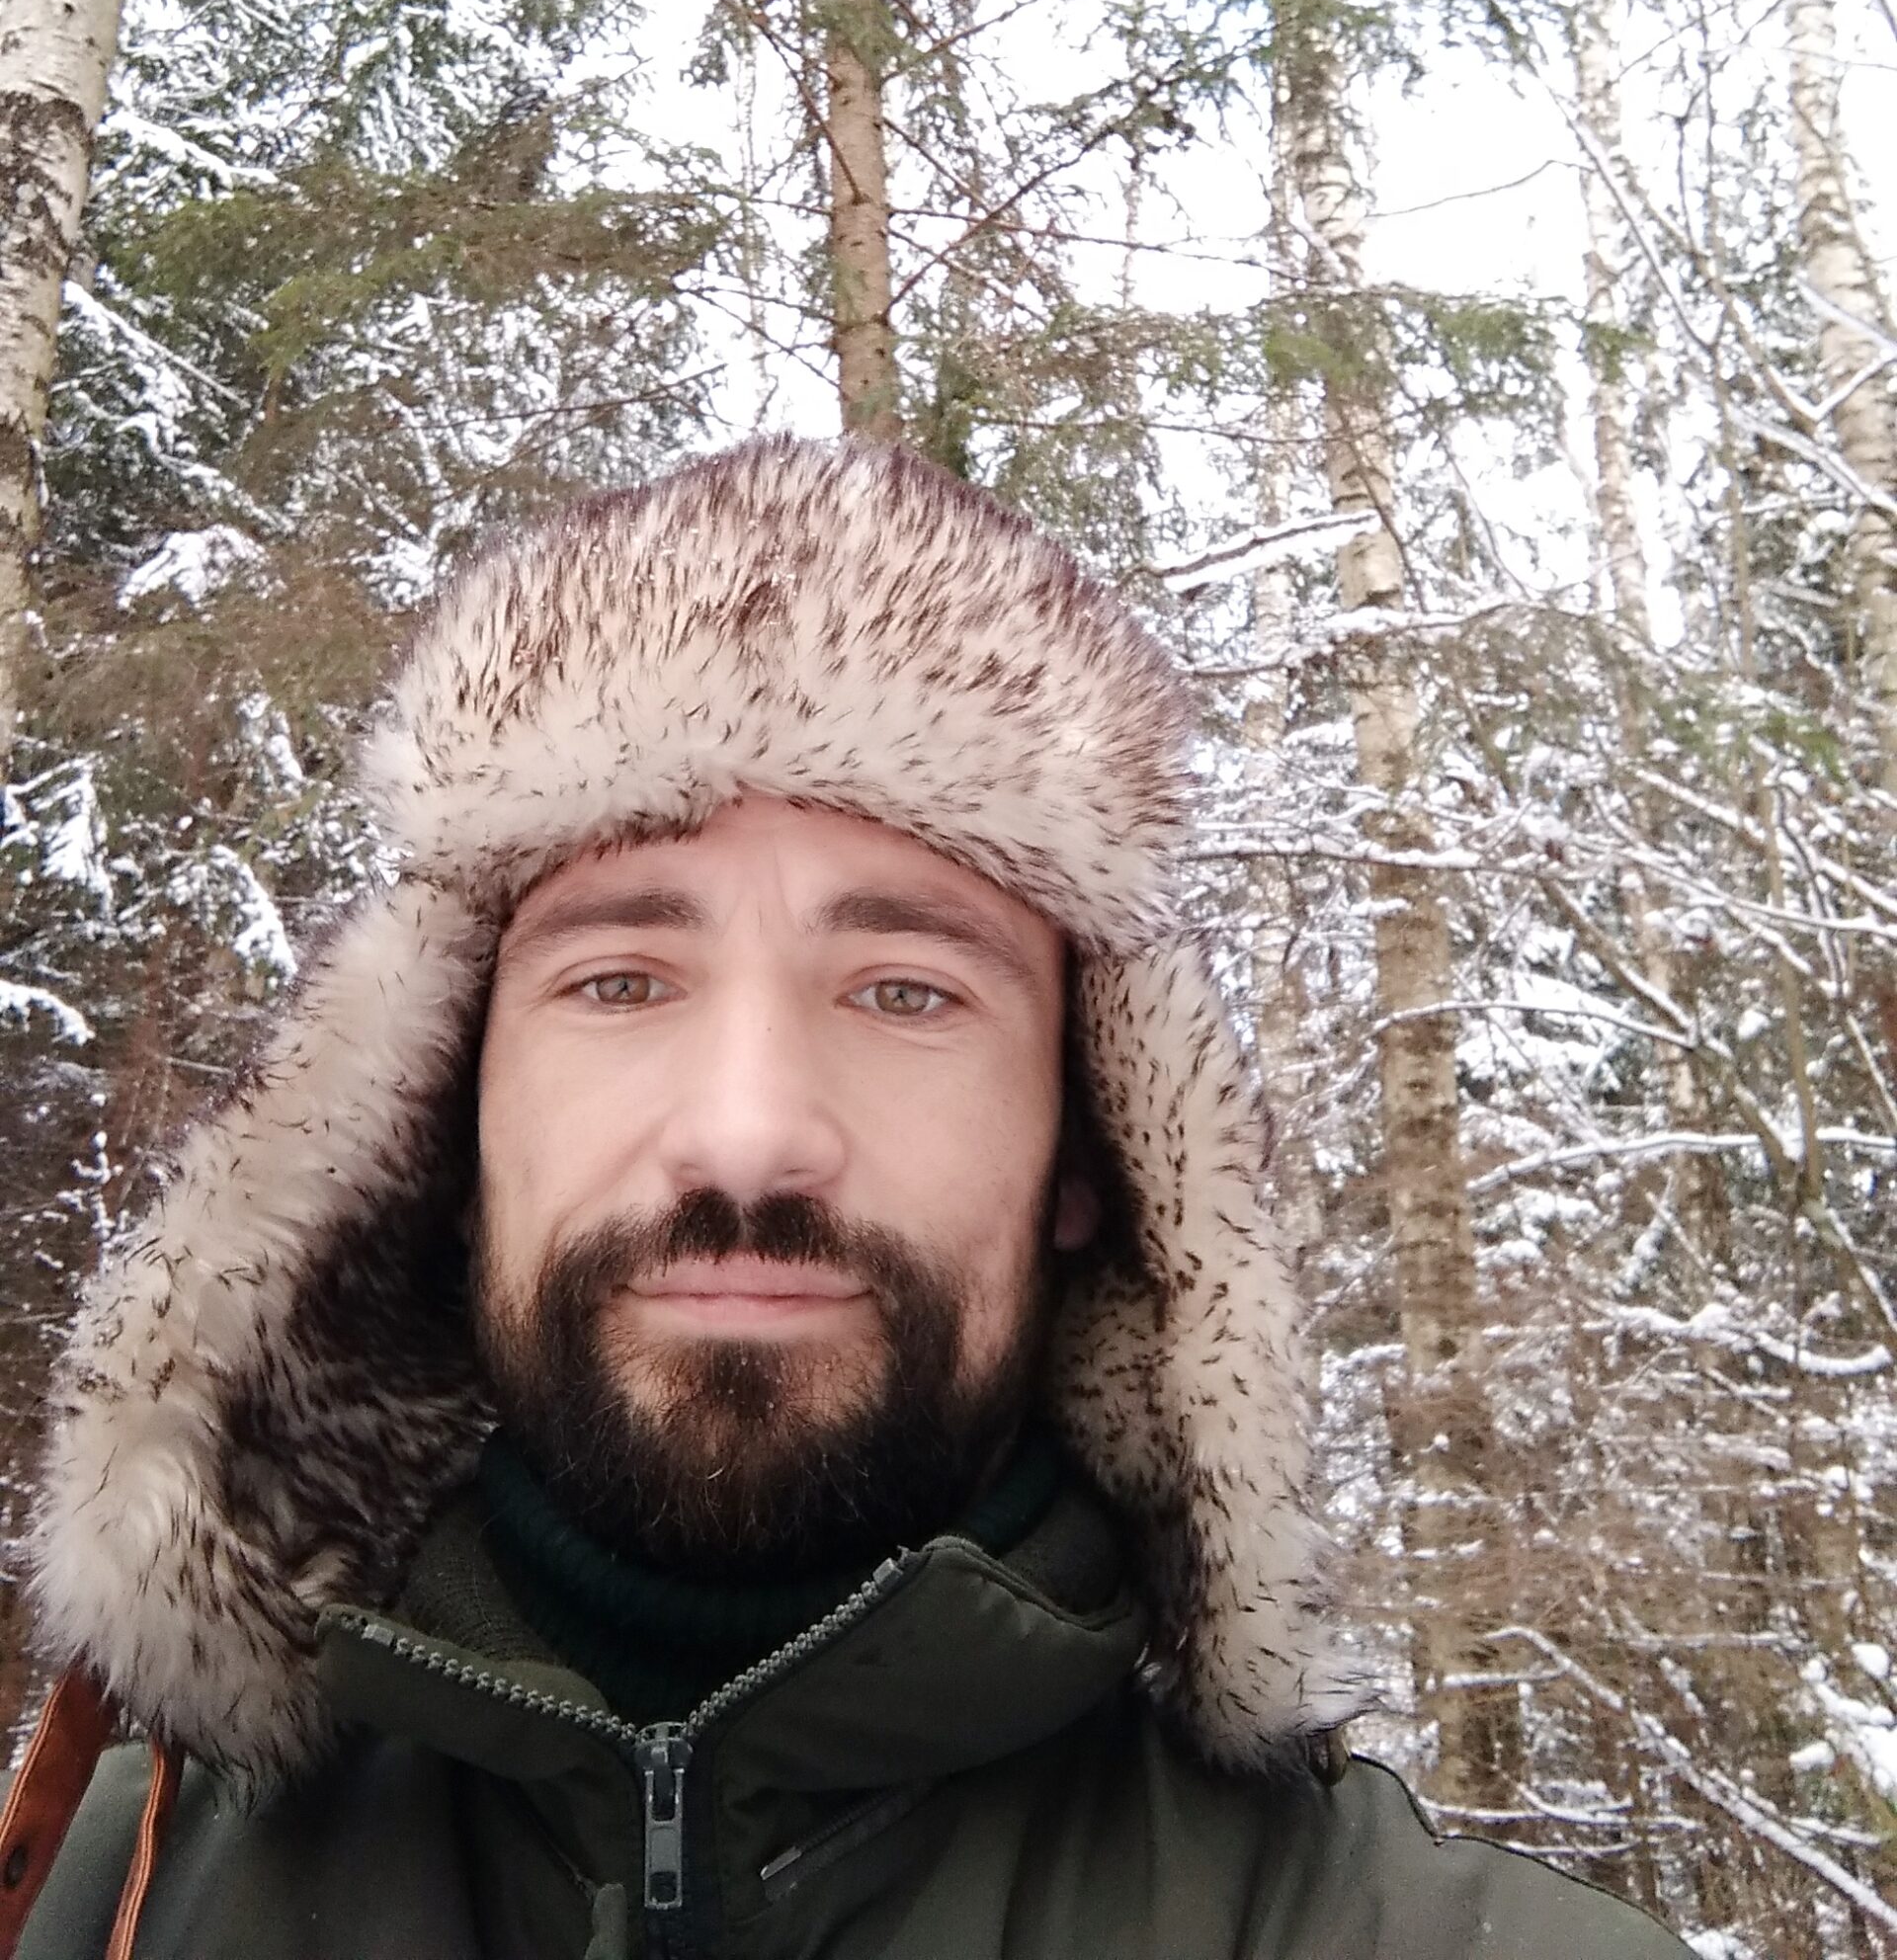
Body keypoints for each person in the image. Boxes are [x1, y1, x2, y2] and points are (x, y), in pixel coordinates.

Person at [2, 437, 1691, 1958]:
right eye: (620, 981)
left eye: (904, 991)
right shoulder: (85, 1905)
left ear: (1087, 1156)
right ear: (436, 1127)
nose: (749, 1139)